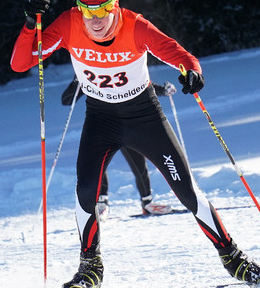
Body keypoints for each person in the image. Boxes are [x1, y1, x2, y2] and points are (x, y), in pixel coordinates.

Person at [11, 0, 260, 288]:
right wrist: (29, 23)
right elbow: (22, 62)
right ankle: (90, 268)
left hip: (144, 117)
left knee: (187, 191)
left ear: (115, 6)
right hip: (101, 118)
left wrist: (192, 71)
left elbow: (177, 53)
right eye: (86, 10)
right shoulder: (69, 24)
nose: (94, 19)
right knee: (85, 191)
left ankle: (234, 260)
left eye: (102, 9)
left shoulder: (135, 26)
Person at [61, 77, 177, 218]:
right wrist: (76, 81)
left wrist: (162, 90)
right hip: (103, 126)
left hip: (128, 123)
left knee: (139, 164)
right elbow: (66, 100)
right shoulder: (87, 70)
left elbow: (140, 82)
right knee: (99, 164)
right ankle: (102, 202)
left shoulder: (117, 64)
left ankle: (147, 202)